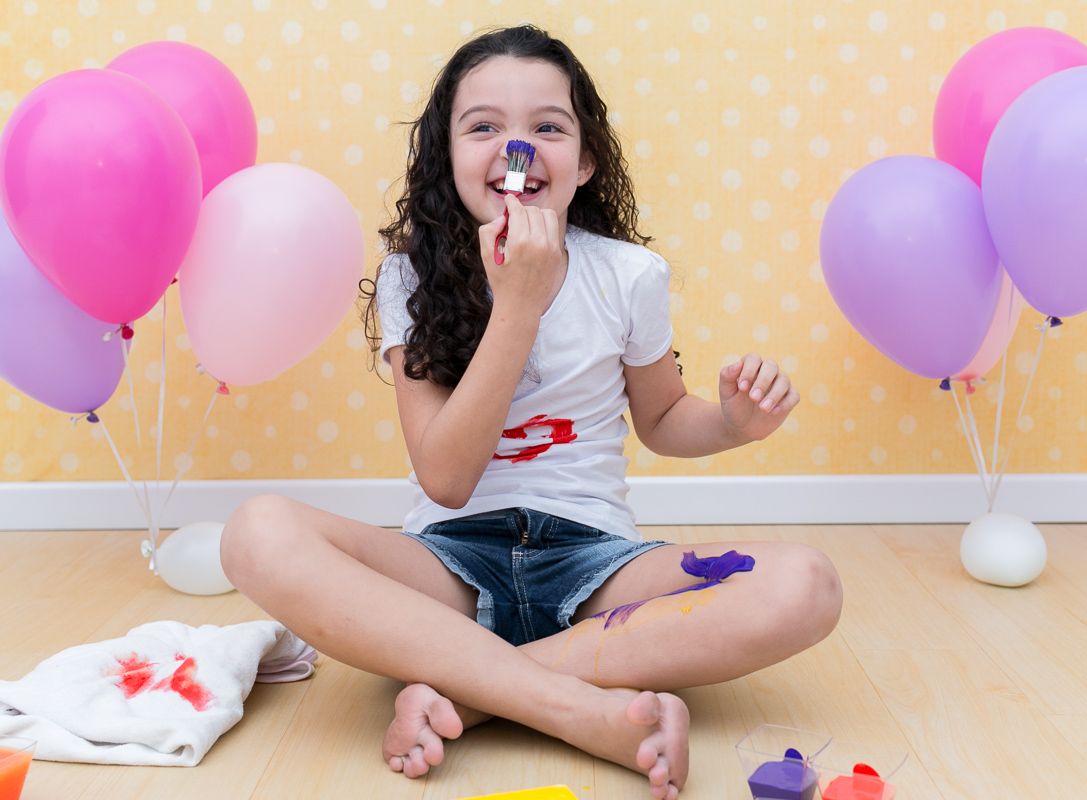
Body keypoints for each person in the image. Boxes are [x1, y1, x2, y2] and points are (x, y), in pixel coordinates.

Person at [219, 24, 842, 800]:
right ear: (448, 156)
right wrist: (518, 302)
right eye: (484, 127)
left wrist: (731, 424)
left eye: (548, 127)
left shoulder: (630, 274)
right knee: (256, 532)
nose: (518, 148)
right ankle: (577, 709)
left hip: (597, 566)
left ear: (584, 162)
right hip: (448, 566)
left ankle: (472, 695)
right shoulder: (412, 276)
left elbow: (661, 419)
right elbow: (446, 478)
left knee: (804, 583)